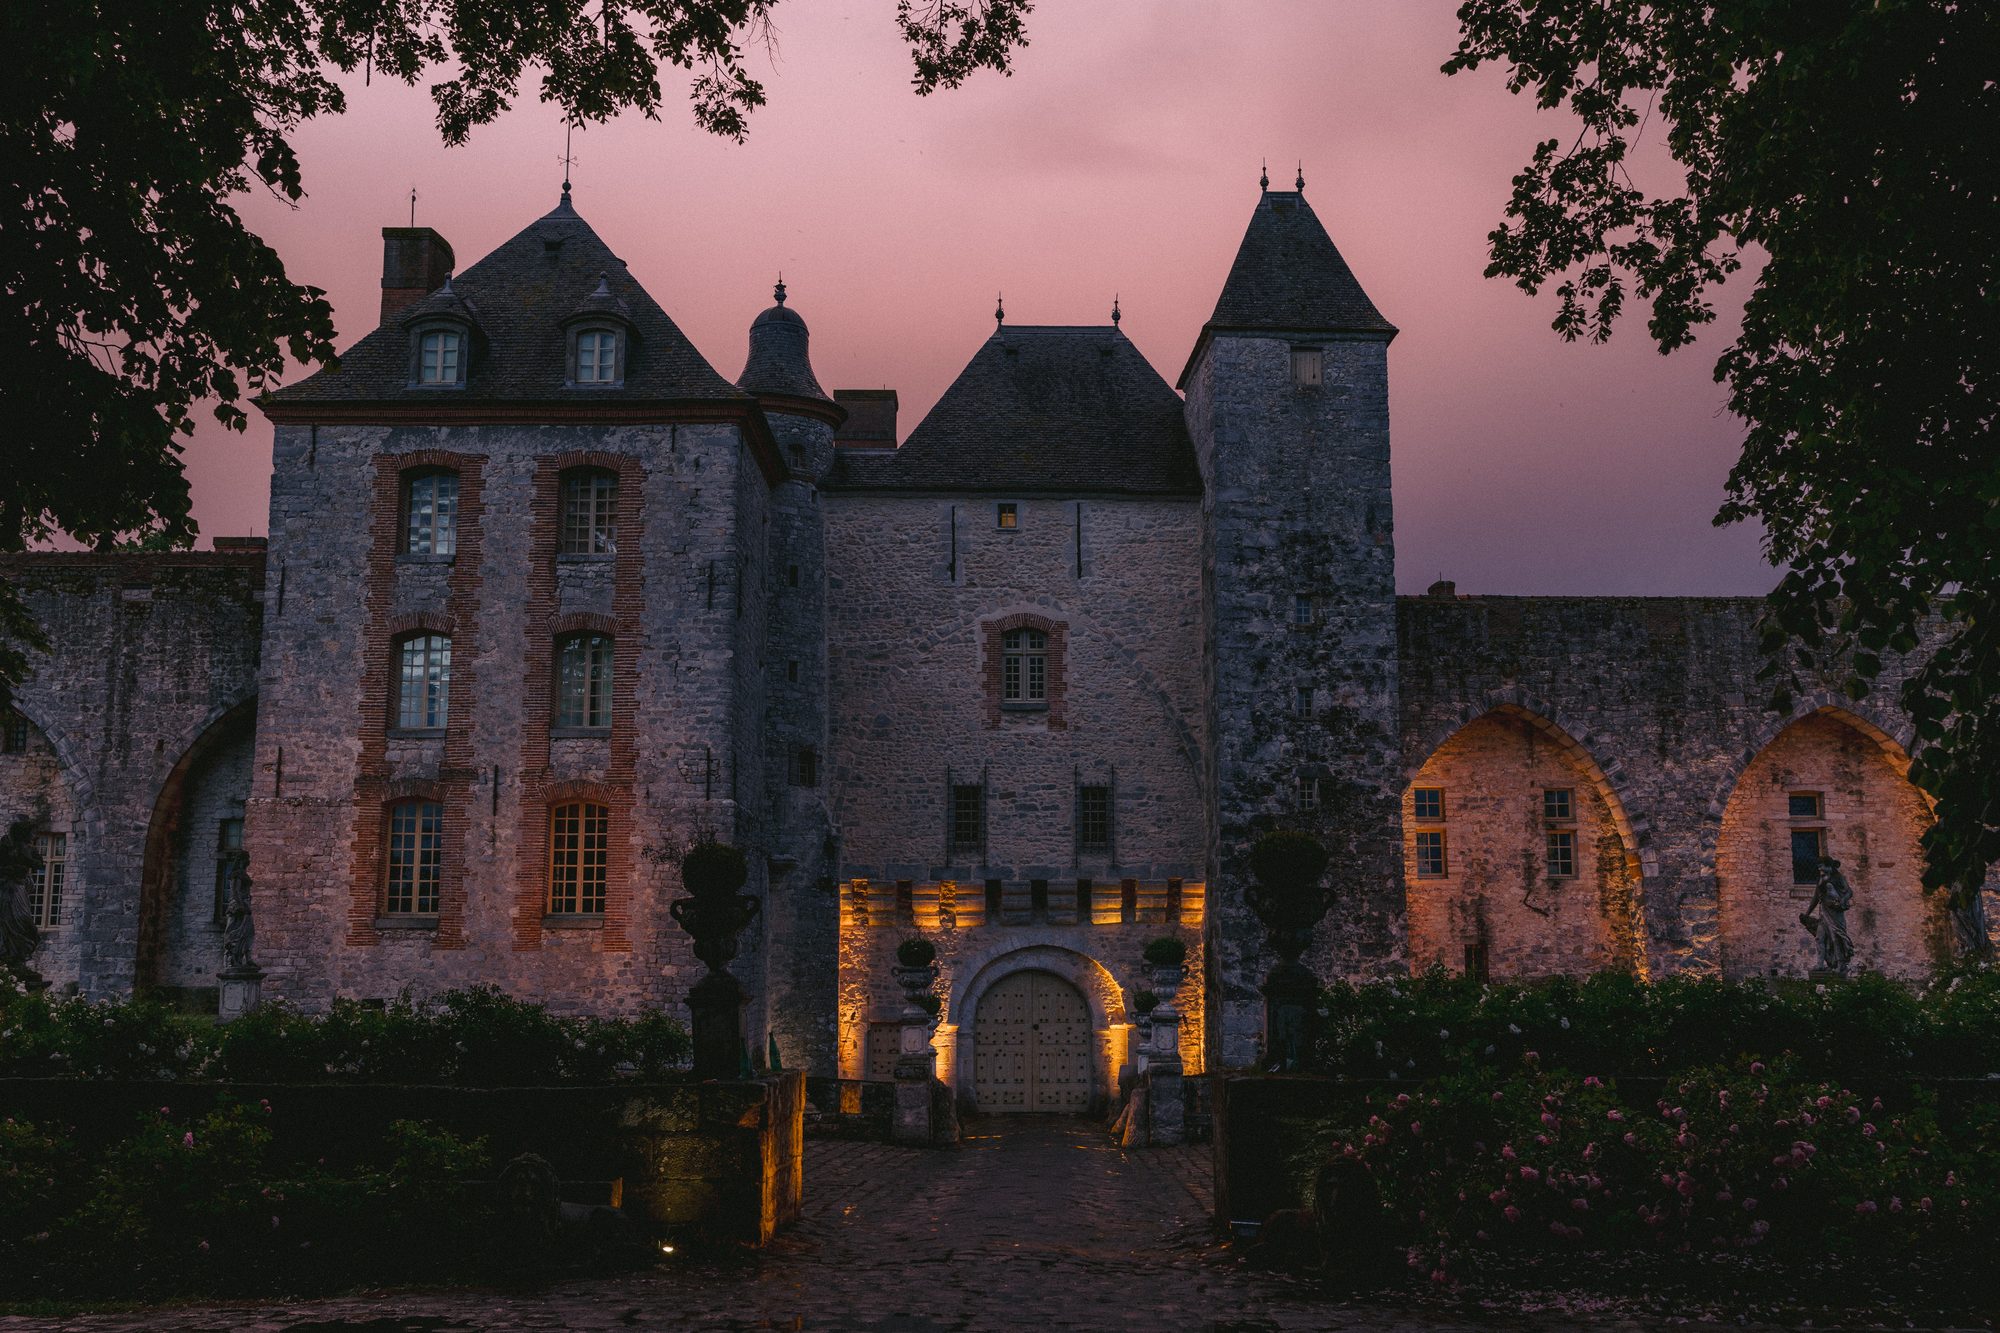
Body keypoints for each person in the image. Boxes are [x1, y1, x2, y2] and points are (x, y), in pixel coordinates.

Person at [1799, 855, 1856, 976]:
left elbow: (1849, 892)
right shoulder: (1820, 879)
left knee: (1836, 938)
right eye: (1819, 867)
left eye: (1822, 867)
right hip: (1824, 913)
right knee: (1820, 938)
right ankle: (1820, 964)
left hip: (1835, 914)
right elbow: (1816, 897)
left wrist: (1843, 900)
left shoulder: (1838, 877)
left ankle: (1840, 965)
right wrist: (1807, 913)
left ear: (1829, 866)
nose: (1820, 870)